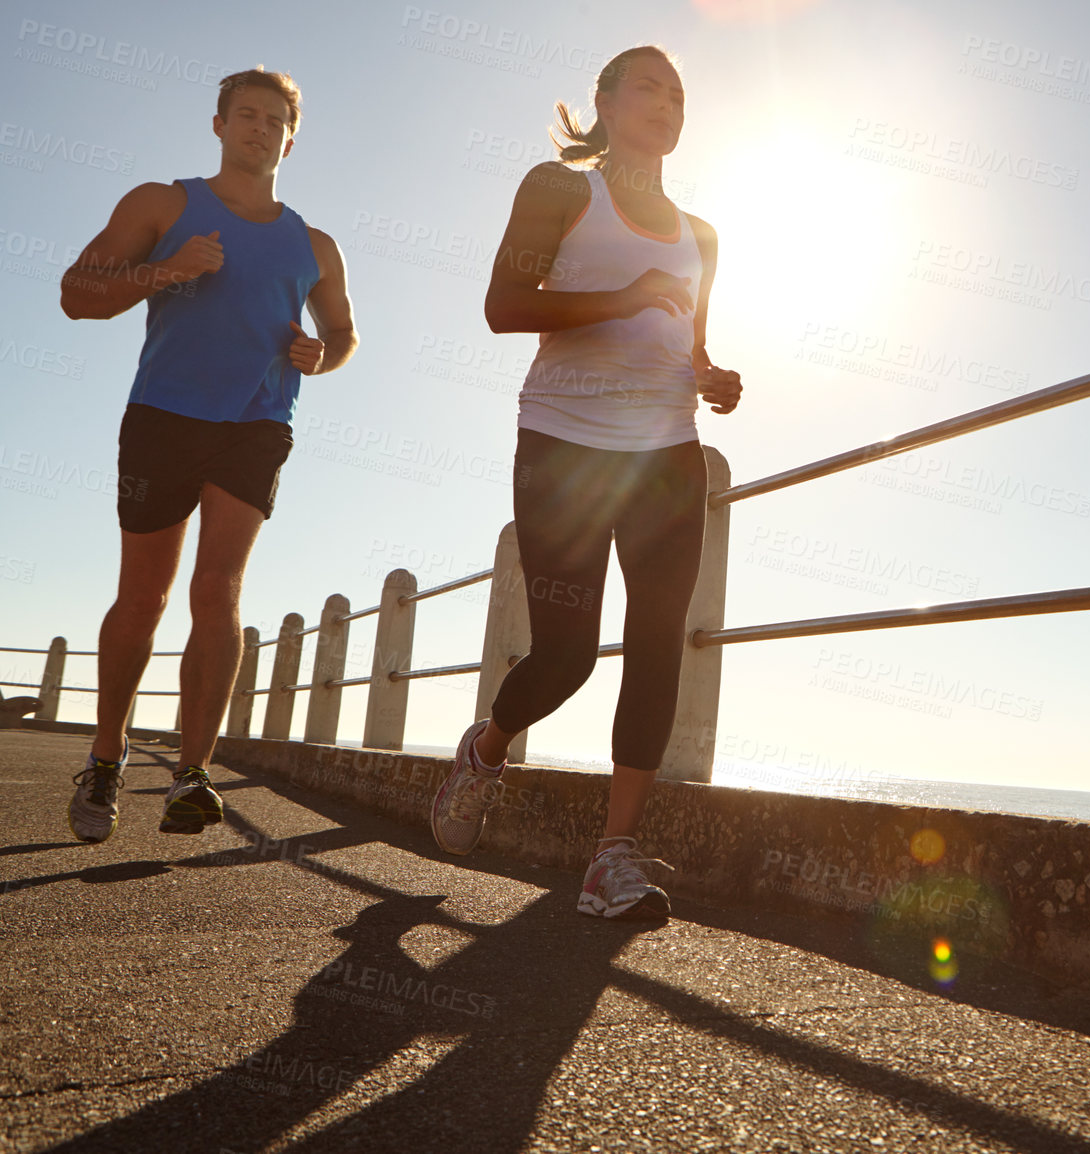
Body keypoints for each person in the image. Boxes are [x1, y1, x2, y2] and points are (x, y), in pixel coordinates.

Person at [429, 45, 741, 919]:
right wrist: (623, 295)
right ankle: (487, 750)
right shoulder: (560, 189)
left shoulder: (702, 235)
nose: (667, 102)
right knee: (566, 654)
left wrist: (711, 378)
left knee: (656, 641)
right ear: (604, 101)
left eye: (679, 92)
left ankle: (613, 857)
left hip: (665, 455)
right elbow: (503, 306)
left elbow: (684, 340)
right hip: (564, 444)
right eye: (649, 86)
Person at [62, 67, 357, 842]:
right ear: (220, 124)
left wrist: (320, 355)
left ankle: (193, 776)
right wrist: (168, 270)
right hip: (162, 416)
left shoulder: (315, 243)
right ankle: (106, 754)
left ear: (291, 138)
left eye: (274, 120)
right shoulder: (162, 202)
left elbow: (345, 335)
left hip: (257, 423)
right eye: (246, 115)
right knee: (144, 598)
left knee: (217, 590)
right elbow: (75, 290)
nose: (259, 129)